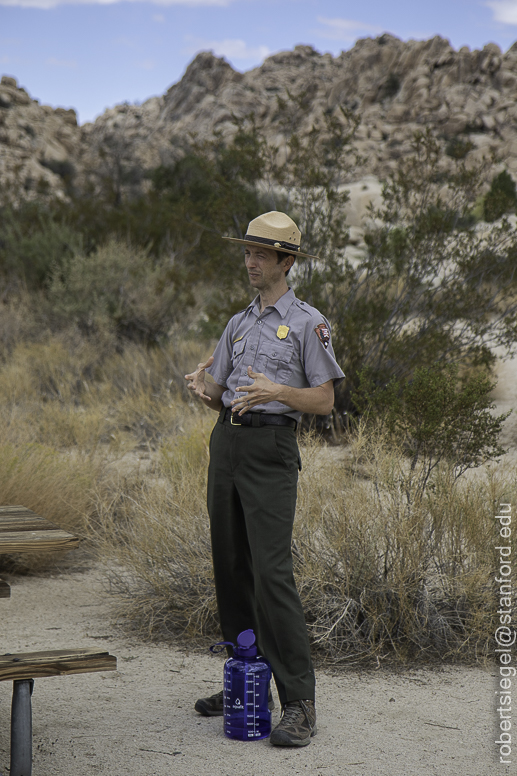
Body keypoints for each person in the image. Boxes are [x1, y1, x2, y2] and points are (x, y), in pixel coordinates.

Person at [185, 211, 345, 747]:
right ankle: (245, 683)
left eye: (260, 254)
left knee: (272, 573)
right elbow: (223, 394)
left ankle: (300, 702)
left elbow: (324, 400)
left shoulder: (306, 322)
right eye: (247, 252)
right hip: (227, 443)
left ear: (286, 261)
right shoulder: (238, 323)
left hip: (272, 450)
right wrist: (204, 387)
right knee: (230, 564)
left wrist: (279, 392)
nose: (250, 262)